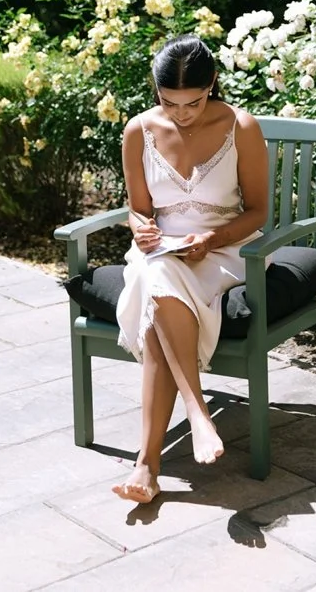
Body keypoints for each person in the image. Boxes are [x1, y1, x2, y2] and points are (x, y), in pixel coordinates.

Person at [110, 35, 268, 504]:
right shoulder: (138, 130)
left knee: (155, 292)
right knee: (156, 277)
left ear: (213, 84)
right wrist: (140, 229)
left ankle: (149, 462)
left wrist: (211, 239)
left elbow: (258, 212)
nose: (182, 113)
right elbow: (138, 210)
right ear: (156, 92)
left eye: (194, 102)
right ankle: (195, 417)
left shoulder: (241, 126)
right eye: (170, 102)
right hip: (162, 254)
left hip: (228, 250)